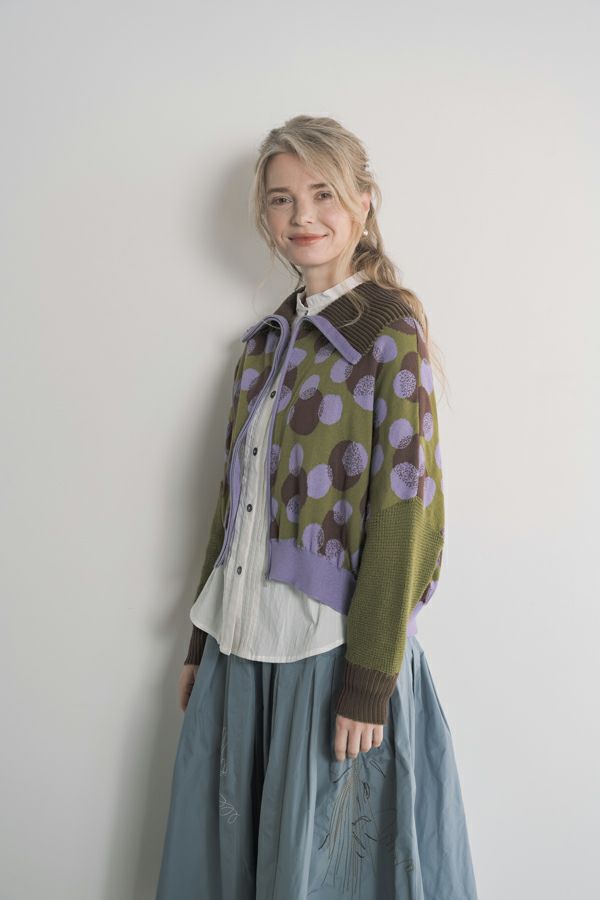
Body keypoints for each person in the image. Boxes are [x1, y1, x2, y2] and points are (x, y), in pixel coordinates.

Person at [155, 114, 479, 899]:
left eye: (322, 193)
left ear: (363, 202)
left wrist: (368, 680)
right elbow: (233, 503)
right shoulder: (263, 346)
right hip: (238, 645)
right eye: (281, 199)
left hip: (327, 651)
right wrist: (200, 642)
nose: (302, 215)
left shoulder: (387, 333)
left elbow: (406, 515)